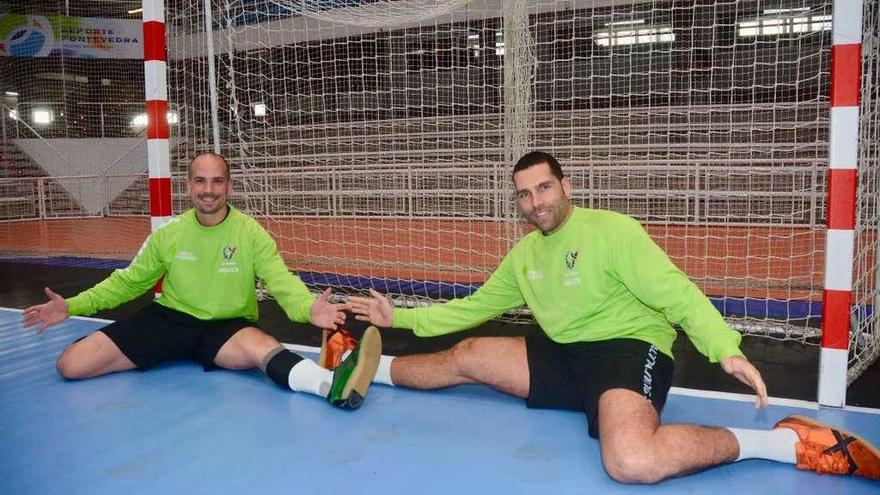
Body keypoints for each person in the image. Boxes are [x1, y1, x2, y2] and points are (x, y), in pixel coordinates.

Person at [347, 150, 880, 482]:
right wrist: (400, 321)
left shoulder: (612, 231)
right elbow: (474, 307)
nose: (536, 202)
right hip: (562, 356)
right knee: (466, 354)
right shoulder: (524, 256)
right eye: (524, 195)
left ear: (566, 186)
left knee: (630, 461)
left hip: (628, 349)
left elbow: (673, 290)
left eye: (544, 188)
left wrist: (725, 347)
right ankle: (355, 368)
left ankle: (785, 442)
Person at [22, 152, 381, 410]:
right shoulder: (169, 234)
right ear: (189, 186)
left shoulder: (251, 234)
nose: (208, 189)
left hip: (226, 328)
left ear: (229, 186)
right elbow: (128, 283)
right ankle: (162, 349)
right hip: (170, 321)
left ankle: (330, 385)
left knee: (262, 349)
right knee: (70, 365)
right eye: (200, 180)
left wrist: (306, 309)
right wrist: (72, 306)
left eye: (217, 181)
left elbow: (280, 281)